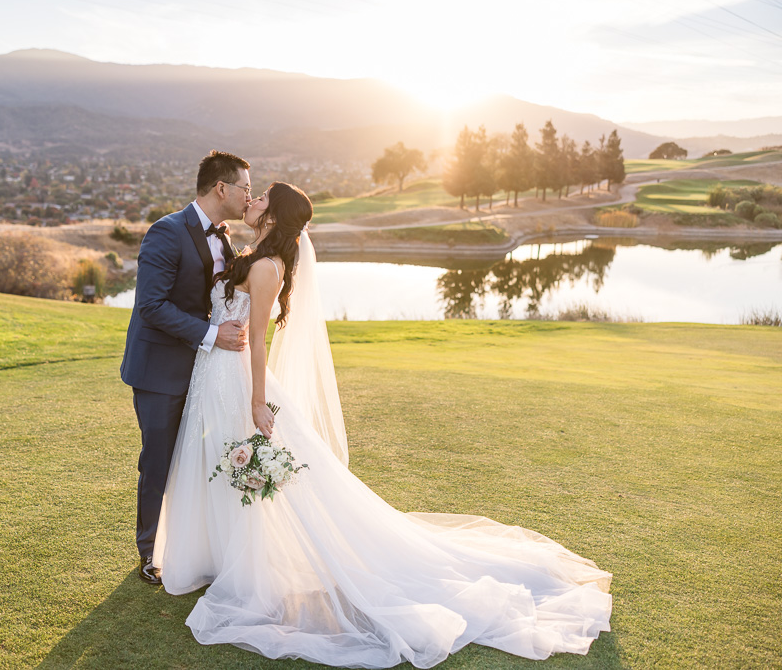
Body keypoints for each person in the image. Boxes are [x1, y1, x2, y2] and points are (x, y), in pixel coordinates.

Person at [153, 182, 613, 668]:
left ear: (276, 214)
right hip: (216, 376)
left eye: (262, 196)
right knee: (223, 467)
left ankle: (248, 570)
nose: (253, 201)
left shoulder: (267, 267)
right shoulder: (251, 255)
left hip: (240, 379)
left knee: (254, 473)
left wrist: (258, 402)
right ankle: (221, 557)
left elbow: (260, 341)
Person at [120, 150, 252, 585]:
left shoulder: (225, 237)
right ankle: (149, 554)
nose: (249, 196)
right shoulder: (167, 231)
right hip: (160, 369)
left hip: (205, 373)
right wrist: (214, 336)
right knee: (158, 461)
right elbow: (152, 306)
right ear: (221, 188)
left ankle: (194, 547)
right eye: (245, 188)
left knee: (197, 461)